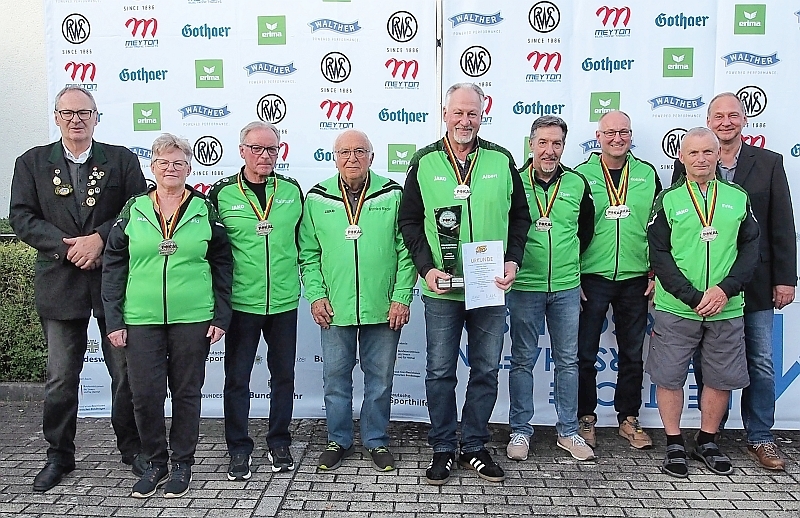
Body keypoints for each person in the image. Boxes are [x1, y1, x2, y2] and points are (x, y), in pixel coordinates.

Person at [9, 85, 146, 492]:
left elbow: (137, 209)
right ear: (56, 117)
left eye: (84, 112)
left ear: (96, 117)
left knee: (125, 373)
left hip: (113, 282)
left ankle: (132, 448)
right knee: (61, 378)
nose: (76, 119)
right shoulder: (31, 162)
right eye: (68, 113)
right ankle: (59, 454)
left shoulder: (121, 160)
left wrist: (100, 239)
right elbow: (22, 217)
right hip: (60, 281)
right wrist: (68, 247)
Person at [398, 83, 531, 485]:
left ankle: (474, 444)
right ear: (445, 114)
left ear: (482, 114)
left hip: (489, 286)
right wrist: (425, 269)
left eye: (472, 113)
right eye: (458, 112)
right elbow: (409, 221)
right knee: (440, 371)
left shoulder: (501, 159)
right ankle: (442, 446)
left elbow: (520, 218)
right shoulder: (424, 161)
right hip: (442, 289)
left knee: (486, 369)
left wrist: (513, 260)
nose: (465, 120)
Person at [102, 133, 233, 498]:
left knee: (187, 392)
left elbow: (223, 263)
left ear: (189, 168)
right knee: (145, 394)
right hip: (140, 317)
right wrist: (114, 319)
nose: (171, 168)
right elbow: (113, 264)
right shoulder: (134, 208)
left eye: (178, 163)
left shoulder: (204, 208)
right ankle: (155, 461)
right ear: (153, 167)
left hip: (193, 316)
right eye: (163, 162)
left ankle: (182, 463)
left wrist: (220, 316)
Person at [671, 93, 796, 470]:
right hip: (704, 290)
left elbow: (782, 224)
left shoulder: (769, 163)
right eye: (718, 116)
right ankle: (712, 436)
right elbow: (677, 227)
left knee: (760, 362)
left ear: (745, 120)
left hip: (754, 285)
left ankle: (760, 436)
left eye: (733, 115)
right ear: (708, 121)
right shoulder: (688, 163)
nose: (726, 122)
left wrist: (785, 278)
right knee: (709, 364)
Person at [298, 129, 416, 472]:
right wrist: (316, 295)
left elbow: (407, 250)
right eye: (345, 152)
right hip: (335, 308)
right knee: (335, 379)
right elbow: (309, 253)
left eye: (360, 151)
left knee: (380, 379)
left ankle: (376, 440)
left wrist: (401, 296)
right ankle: (338, 439)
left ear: (372, 157)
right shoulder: (317, 197)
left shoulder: (392, 194)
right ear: (335, 158)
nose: (352, 158)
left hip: (384, 307)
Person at [647, 127, 759, 478]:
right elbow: (659, 254)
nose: (701, 159)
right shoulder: (668, 199)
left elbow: (751, 248)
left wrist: (725, 290)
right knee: (670, 377)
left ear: (718, 154)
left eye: (708, 152)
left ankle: (707, 440)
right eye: (693, 153)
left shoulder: (737, 197)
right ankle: (673, 442)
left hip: (726, 306)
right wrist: (693, 296)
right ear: (681, 157)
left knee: (720, 378)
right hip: (678, 307)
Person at [208, 122, 303, 479]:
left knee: (284, 377)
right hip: (241, 303)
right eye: (257, 148)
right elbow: (212, 251)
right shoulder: (221, 193)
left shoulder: (292, 190)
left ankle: (279, 440)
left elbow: (303, 242)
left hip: (283, 302)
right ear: (242, 151)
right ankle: (238, 448)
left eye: (271, 149)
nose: (265, 155)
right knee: (237, 379)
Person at [506, 116, 595, 462]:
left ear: (563, 146)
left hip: (566, 287)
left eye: (556, 143)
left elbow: (585, 231)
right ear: (531, 145)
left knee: (568, 361)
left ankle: (568, 431)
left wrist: (570, 266)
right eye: (542, 142)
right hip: (524, 285)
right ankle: (520, 429)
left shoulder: (576, 183)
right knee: (522, 360)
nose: (549, 150)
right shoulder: (514, 182)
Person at [574, 111, 662, 450]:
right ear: (598, 137)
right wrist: (574, 275)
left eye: (623, 132)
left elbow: (660, 228)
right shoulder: (581, 175)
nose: (617, 138)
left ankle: (629, 419)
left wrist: (655, 272)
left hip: (635, 277)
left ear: (631, 135)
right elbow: (571, 229)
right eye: (610, 132)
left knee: (632, 354)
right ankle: (586, 418)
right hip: (591, 276)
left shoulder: (647, 174)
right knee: (584, 354)